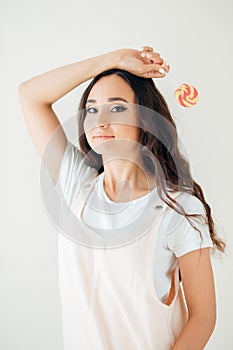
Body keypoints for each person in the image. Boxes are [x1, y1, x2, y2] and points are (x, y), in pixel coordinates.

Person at [19, 46, 226, 350]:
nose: (99, 120)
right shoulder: (78, 184)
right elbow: (30, 94)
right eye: (91, 108)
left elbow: (203, 316)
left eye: (116, 108)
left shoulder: (179, 209)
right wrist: (110, 60)